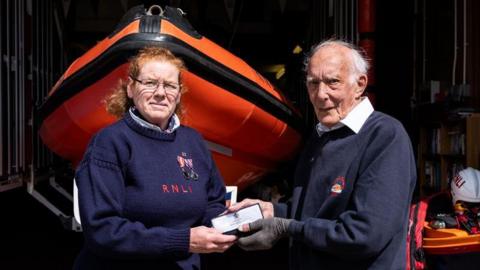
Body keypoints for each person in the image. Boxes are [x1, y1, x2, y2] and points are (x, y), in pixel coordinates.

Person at [229, 39, 417, 269]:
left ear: (360, 84)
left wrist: (285, 227)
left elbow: (363, 235)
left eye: (332, 82)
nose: (321, 94)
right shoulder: (319, 136)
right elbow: (311, 211)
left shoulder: (385, 136)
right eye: (313, 83)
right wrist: (271, 211)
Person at [73, 46, 236, 270]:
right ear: (130, 88)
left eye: (170, 85)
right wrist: (184, 241)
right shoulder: (110, 143)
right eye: (150, 83)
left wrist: (230, 225)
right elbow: (102, 230)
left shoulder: (193, 141)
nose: (160, 92)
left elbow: (213, 202)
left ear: (179, 94)